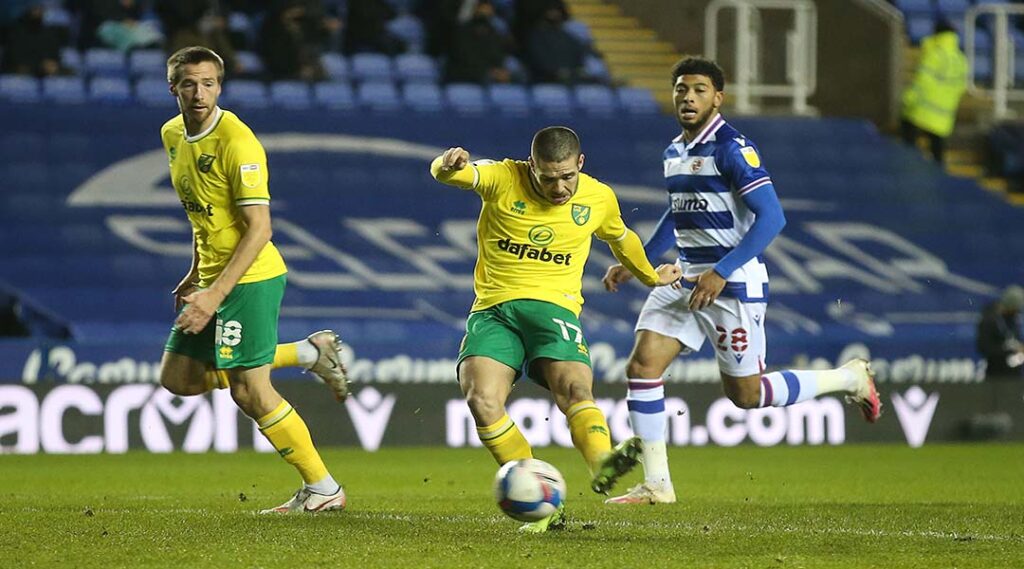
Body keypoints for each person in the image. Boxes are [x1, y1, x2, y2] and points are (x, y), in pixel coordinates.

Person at [601, 57, 882, 505]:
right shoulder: (674, 151)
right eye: (681, 89)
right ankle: (657, 484)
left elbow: (772, 218)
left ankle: (848, 378)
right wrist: (638, 260)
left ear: (718, 98)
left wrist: (722, 271)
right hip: (686, 279)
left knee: (747, 396)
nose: (688, 97)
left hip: (730, 284)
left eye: (699, 90)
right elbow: (677, 214)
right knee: (642, 367)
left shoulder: (733, 148)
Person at [429, 126, 682, 532]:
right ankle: (544, 503)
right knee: (482, 400)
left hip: (554, 311)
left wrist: (651, 276)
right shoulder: (503, 178)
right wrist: (447, 164)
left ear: (580, 163)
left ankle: (602, 462)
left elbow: (622, 238)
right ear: (531, 166)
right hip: (493, 311)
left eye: (567, 176)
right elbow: (454, 174)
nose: (560, 187)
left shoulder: (598, 197)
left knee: (575, 390)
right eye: (548, 178)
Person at [159, 46, 350, 514]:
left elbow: (260, 228)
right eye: (189, 84)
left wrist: (215, 295)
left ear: (219, 87)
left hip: (249, 278)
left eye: (208, 84)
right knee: (178, 378)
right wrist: (195, 274)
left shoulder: (237, 142)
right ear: (173, 87)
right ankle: (307, 352)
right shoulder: (172, 134)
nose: (199, 93)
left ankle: (323, 488)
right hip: (212, 278)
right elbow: (202, 214)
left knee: (250, 390)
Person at [900, 20, 968, 164]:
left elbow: (922, 82)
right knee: (938, 157)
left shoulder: (934, 54)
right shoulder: (961, 59)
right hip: (944, 117)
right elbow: (960, 88)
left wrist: (907, 100)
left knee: (907, 152)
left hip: (920, 111)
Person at [977, 285, 1024, 380]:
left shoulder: (1012, 319)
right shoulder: (989, 320)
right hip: (996, 375)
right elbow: (984, 347)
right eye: (1015, 310)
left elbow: (1013, 338)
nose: (1016, 313)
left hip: (1013, 375)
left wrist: (1018, 348)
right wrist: (1009, 350)